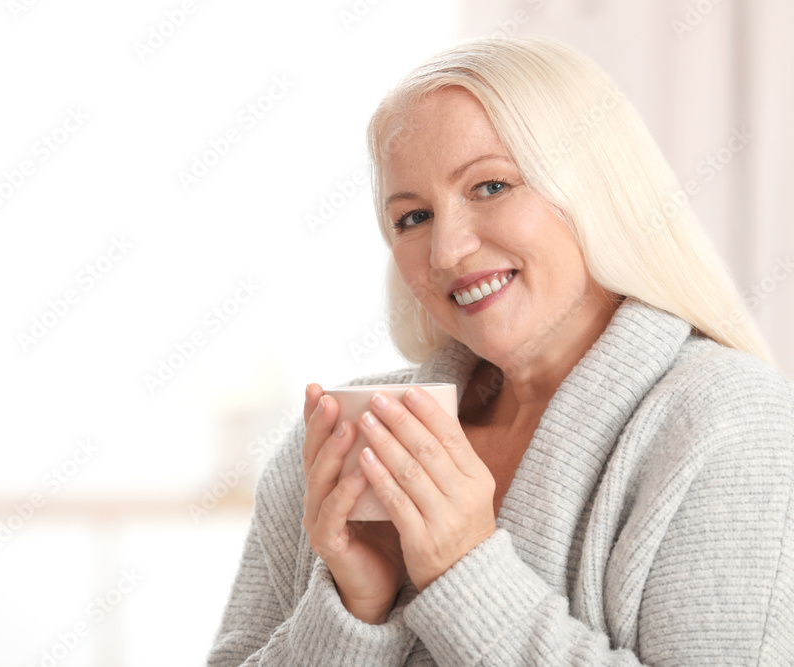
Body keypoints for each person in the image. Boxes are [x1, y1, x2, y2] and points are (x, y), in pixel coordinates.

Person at [207, 36, 794, 665]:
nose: (447, 251)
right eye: (413, 218)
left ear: (594, 189)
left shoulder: (731, 423)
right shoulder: (342, 444)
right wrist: (353, 611)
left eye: (490, 186)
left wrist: (464, 575)